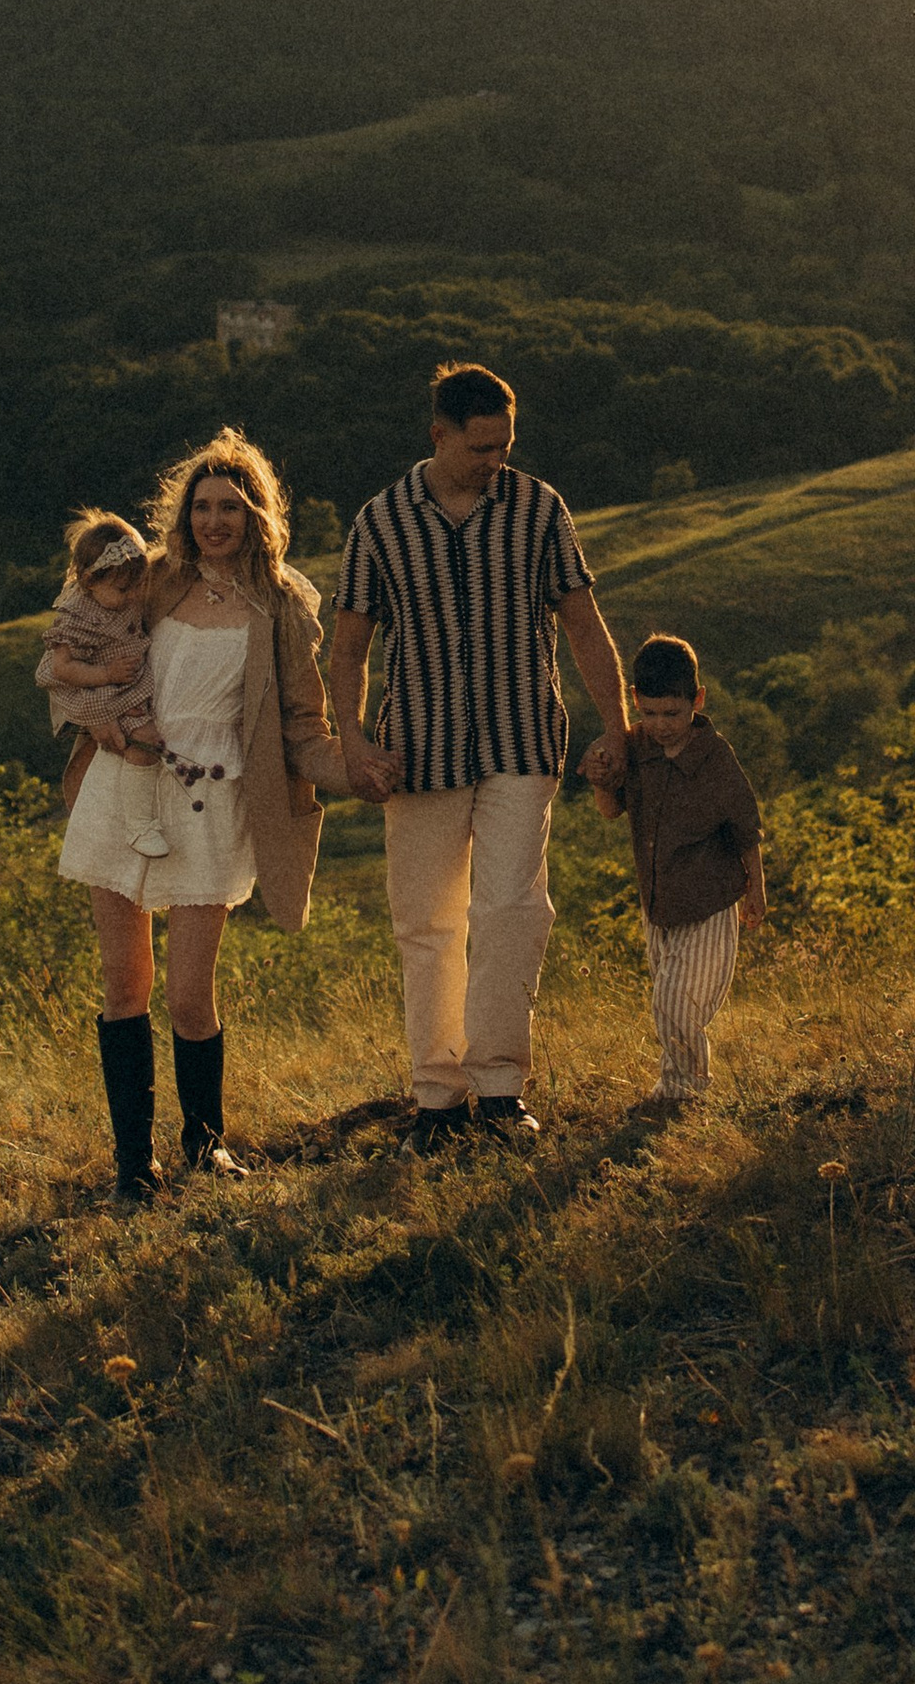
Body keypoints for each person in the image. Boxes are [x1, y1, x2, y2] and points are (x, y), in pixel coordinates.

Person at [330, 359, 629, 1150]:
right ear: (439, 435)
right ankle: (436, 1099)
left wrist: (617, 726)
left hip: (521, 739)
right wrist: (353, 742)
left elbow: (583, 623)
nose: (495, 460)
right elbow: (350, 646)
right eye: (480, 447)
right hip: (418, 749)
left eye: (504, 445)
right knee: (426, 925)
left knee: (511, 913)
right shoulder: (381, 521)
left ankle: (500, 1091)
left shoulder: (538, 508)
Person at [59, 431, 344, 1202]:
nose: (215, 519)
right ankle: (132, 1165)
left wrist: (357, 768)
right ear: (185, 512)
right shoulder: (150, 580)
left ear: (257, 514)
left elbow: (301, 724)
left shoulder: (281, 604)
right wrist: (105, 719)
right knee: (125, 983)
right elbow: (65, 650)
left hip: (212, 804)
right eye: (202, 505)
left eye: (231, 506)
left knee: (189, 993)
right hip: (124, 786)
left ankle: (205, 1144)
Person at [587, 631, 766, 1113]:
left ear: (697, 700)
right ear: (634, 702)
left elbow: (746, 826)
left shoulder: (715, 758)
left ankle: (685, 1091)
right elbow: (610, 810)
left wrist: (757, 891)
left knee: (675, 1000)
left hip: (709, 902)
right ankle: (677, 1086)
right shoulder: (636, 749)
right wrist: (602, 780)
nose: (661, 725)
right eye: (649, 713)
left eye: (673, 713)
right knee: (670, 1000)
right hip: (659, 903)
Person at [37, 510, 173, 865]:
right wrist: (107, 674)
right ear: (88, 582)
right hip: (99, 692)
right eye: (122, 589)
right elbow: (60, 668)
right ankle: (139, 824)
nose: (132, 596)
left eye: (138, 585)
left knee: (147, 739)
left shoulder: (122, 599)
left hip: (123, 686)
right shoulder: (78, 617)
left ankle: (145, 812)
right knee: (146, 742)